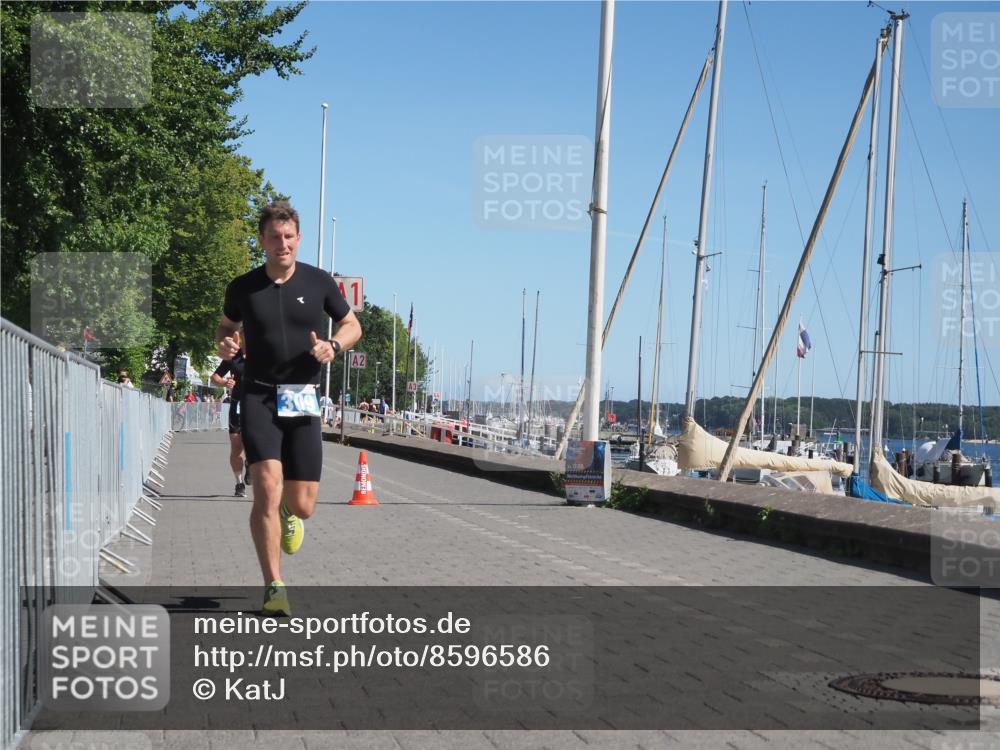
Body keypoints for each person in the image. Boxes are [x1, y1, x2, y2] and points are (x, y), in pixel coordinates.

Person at [216, 201, 362, 616]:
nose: (282, 244)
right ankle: (274, 585)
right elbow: (226, 327)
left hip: (302, 396)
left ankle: (287, 511)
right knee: (264, 486)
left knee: (303, 505)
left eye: (289, 237)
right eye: (274, 237)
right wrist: (225, 342)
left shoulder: (319, 283)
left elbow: (352, 326)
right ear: (261, 240)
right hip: (258, 395)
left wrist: (332, 345)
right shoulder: (243, 287)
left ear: (298, 239)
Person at [211, 349, 250, 497]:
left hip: (257, 407)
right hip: (237, 406)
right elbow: (215, 377)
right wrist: (224, 382)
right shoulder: (233, 356)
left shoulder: (263, 353)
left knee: (252, 444)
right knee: (236, 447)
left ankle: (250, 464)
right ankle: (239, 483)